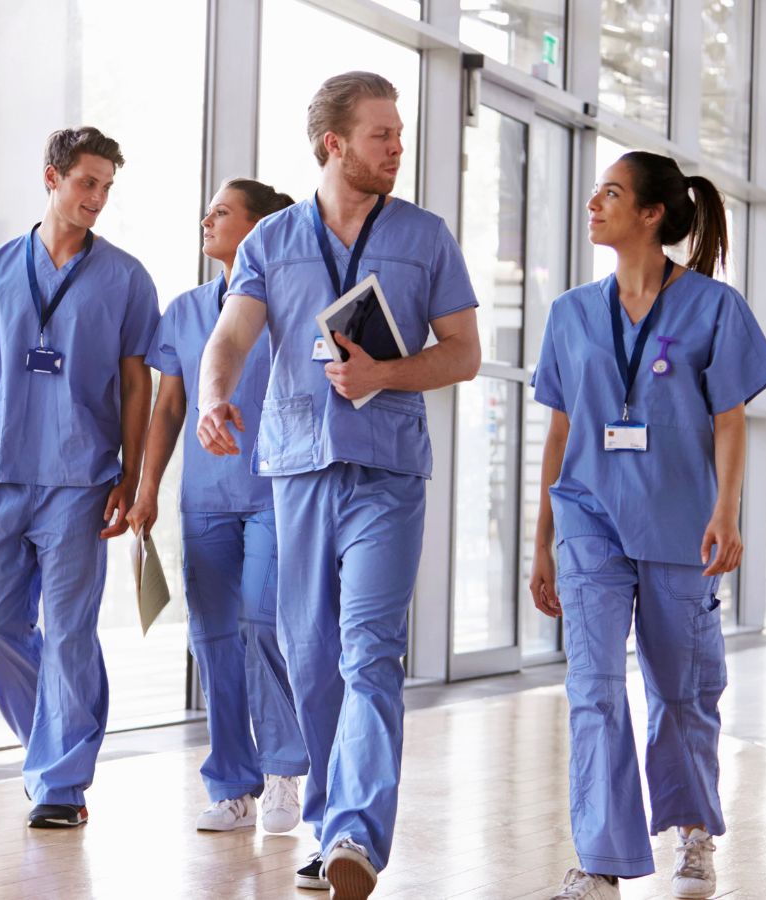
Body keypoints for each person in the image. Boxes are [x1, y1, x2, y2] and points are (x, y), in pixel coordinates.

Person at [195, 72, 481, 899]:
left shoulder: (425, 237)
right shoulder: (272, 240)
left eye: (398, 134)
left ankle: (356, 831)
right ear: (334, 144)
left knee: (368, 653)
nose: (398, 147)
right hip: (296, 470)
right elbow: (231, 337)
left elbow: (461, 351)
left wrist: (386, 372)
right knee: (313, 658)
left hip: (388, 473)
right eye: (382, 135)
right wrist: (215, 398)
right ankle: (329, 826)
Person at [527, 151, 766, 900]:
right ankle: (601, 858)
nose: (594, 202)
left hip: (680, 521)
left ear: (652, 215)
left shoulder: (713, 308)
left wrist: (725, 513)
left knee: (682, 690)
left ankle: (693, 829)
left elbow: (730, 421)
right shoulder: (571, 314)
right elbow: (558, 429)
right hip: (589, 517)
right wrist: (542, 537)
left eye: (612, 192)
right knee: (593, 686)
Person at [0, 126, 159, 830]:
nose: (97, 198)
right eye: (87, 182)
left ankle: (61, 782)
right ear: (52, 178)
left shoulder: (125, 277)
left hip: (82, 478)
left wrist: (131, 471)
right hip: (2, 471)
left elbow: (135, 384)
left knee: (68, 633)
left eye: (107, 187)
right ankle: (48, 747)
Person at [127, 178, 308, 835]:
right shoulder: (184, 309)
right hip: (204, 500)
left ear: (260, 229)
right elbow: (169, 405)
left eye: (223, 212)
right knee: (213, 641)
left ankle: (286, 768)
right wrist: (146, 489)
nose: (207, 218)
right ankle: (233, 784)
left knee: (262, 623)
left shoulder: (292, 307)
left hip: (275, 492)